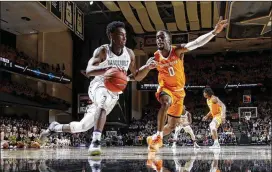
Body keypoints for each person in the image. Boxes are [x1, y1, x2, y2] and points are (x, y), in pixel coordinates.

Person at [40, 21, 154, 155]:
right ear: (111, 35)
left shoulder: (129, 54)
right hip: (98, 85)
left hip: (114, 93)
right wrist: (107, 70)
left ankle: (55, 127)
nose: (124, 38)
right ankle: (95, 142)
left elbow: (136, 76)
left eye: (125, 35)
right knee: (103, 99)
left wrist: (146, 68)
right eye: (121, 35)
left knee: (82, 127)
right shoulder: (103, 51)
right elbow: (89, 70)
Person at [145, 17, 228, 152]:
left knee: (171, 126)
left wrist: (214, 32)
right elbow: (140, 72)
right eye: (157, 38)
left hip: (179, 91)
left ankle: (153, 138)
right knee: (165, 102)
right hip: (165, 88)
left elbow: (196, 43)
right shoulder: (154, 57)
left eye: (162, 37)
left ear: (168, 40)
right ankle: (159, 137)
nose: (159, 40)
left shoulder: (177, 51)